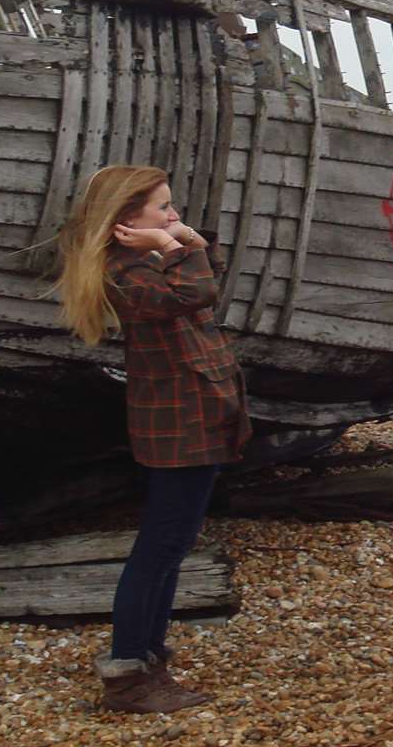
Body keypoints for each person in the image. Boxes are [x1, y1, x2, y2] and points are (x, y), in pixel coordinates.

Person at [53, 165, 251, 711]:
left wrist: (174, 240)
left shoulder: (142, 263)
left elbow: (202, 285)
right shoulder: (126, 273)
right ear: (125, 221)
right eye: (162, 208)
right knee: (160, 546)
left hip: (190, 419)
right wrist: (175, 241)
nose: (173, 215)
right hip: (177, 424)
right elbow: (198, 289)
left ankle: (147, 654)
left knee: (171, 545)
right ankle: (128, 671)